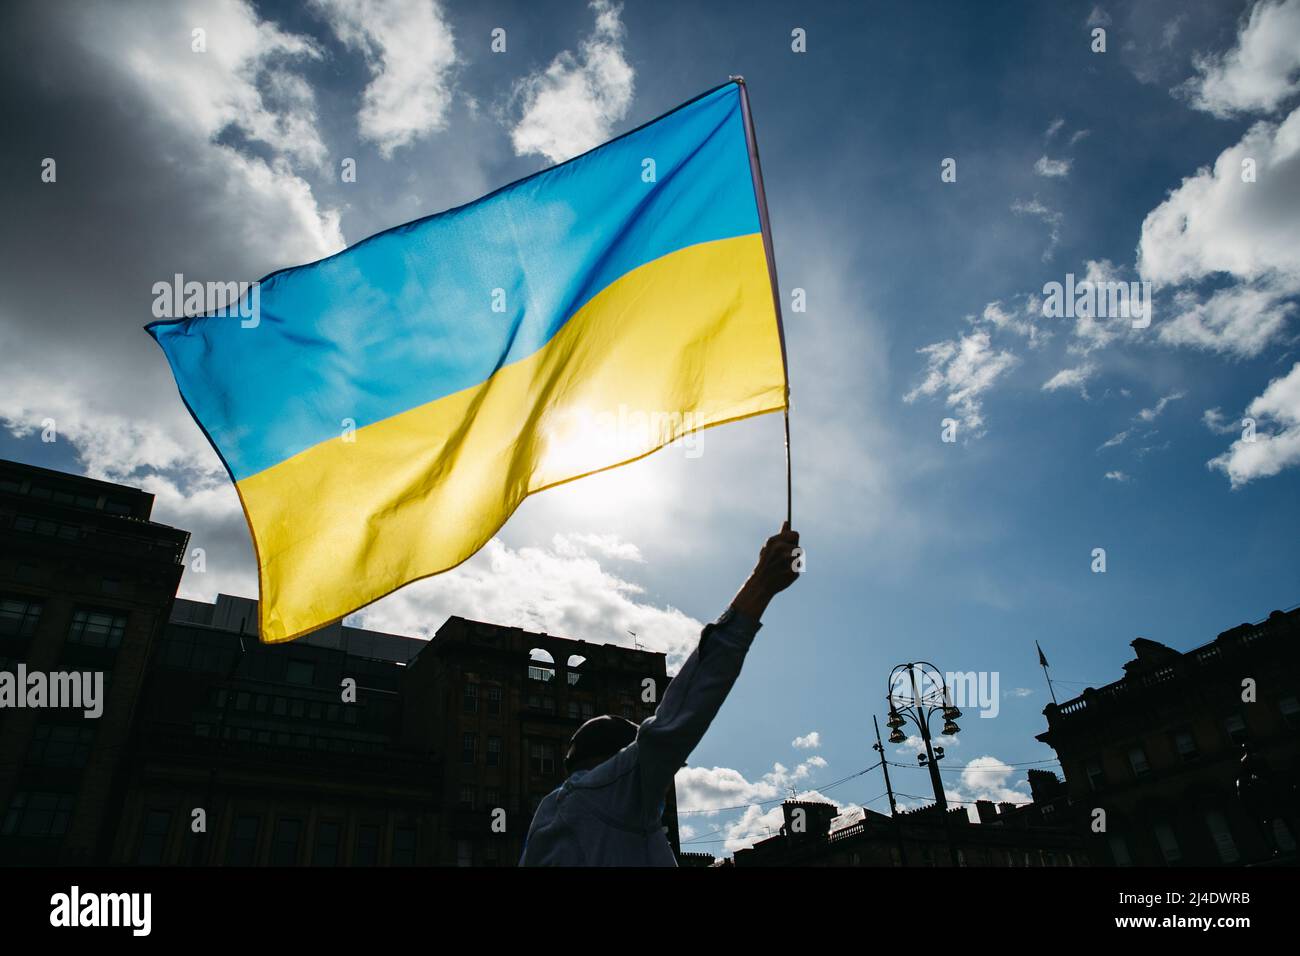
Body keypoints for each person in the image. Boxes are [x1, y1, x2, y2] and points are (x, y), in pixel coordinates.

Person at [519, 522, 801, 866]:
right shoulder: (618, 793)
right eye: (662, 769)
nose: (666, 783)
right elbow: (679, 716)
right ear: (620, 760)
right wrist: (761, 586)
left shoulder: (549, 820)